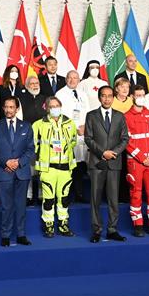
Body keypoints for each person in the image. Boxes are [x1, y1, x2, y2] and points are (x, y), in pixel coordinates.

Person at [84, 85, 129, 242]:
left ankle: (112, 229)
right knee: (95, 198)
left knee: (113, 199)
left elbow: (125, 139)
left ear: (113, 97)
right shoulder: (91, 115)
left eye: (110, 96)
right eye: (104, 96)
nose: (107, 99)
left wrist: (113, 153)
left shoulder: (119, 116)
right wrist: (103, 152)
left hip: (114, 163)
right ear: (99, 97)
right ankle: (96, 230)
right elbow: (88, 138)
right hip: (97, 163)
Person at [0, 96, 34, 247]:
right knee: (6, 206)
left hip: (21, 172)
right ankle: (5, 235)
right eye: (6, 107)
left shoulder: (26, 126)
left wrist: (18, 162)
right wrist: (5, 162)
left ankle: (21, 234)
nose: (8, 110)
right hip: (4, 171)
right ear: (3, 108)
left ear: (17, 109)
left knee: (21, 205)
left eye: (11, 107)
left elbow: (30, 149)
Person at [34, 95, 78, 237]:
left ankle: (63, 223)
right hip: (48, 169)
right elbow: (34, 146)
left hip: (65, 168)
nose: (55, 109)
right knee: (48, 199)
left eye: (57, 106)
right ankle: (49, 225)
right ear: (46, 108)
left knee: (64, 198)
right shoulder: (38, 125)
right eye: (52, 106)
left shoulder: (70, 123)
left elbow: (73, 142)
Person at [124, 90, 149, 237]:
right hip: (136, 162)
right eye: (137, 95)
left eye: (142, 95)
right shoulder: (126, 116)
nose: (140, 98)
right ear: (132, 97)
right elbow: (127, 142)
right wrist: (142, 157)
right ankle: (138, 225)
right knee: (136, 193)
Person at [56, 70, 90, 201]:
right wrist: (75, 129)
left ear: (79, 80)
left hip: (83, 133)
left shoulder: (82, 94)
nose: (72, 80)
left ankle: (79, 193)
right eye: (69, 78)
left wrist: (86, 127)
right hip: (68, 134)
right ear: (66, 79)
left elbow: (88, 112)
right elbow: (59, 115)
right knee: (69, 166)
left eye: (75, 78)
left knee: (80, 166)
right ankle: (67, 194)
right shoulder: (60, 94)